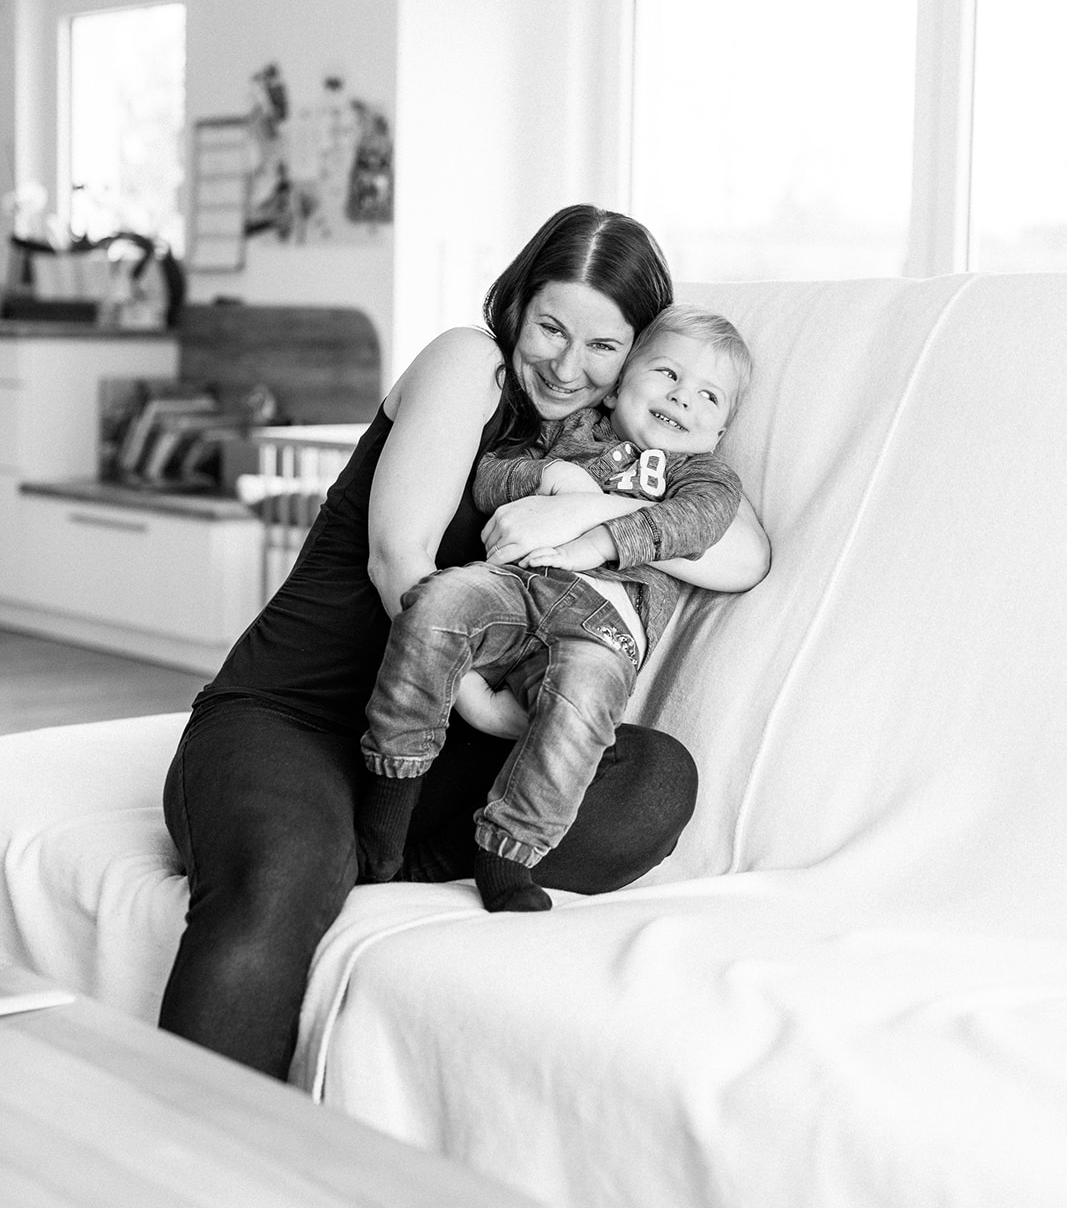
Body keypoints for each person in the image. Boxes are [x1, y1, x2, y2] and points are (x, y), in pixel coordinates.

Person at [159, 204, 770, 1079]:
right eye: (551, 328)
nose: (567, 366)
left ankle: (386, 856)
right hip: (296, 718)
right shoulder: (467, 364)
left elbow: (743, 553)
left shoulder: (623, 449)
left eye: (603, 346)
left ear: (634, 357)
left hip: (436, 765)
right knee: (282, 881)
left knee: (652, 780)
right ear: (517, 305)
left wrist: (587, 512)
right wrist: (489, 710)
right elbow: (398, 560)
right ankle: (197, 1153)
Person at [357, 304, 753, 914]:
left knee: (580, 711)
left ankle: (506, 854)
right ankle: (388, 801)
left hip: (604, 628)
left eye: (709, 397)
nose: (682, 399)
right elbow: (489, 477)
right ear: (618, 385)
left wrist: (597, 534)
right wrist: (552, 477)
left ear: (719, 433)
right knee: (436, 603)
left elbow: (698, 524)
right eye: (668, 375)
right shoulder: (570, 432)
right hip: (516, 590)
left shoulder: (705, 479)